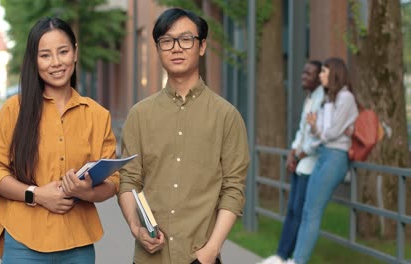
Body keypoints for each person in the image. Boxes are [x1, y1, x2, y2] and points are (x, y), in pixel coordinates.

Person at [0, 17, 119, 263]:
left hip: (78, 244)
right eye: (45, 55)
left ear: (75, 53)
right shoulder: (14, 110)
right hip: (23, 242)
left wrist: (87, 193)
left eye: (63, 52)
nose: (56, 63)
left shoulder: (97, 115)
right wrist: (36, 194)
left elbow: (113, 181)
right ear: (34, 60)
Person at [117, 8, 250, 264]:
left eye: (186, 39)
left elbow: (233, 189)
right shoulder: (139, 115)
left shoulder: (226, 116)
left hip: (200, 257)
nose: (176, 48)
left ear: (201, 47)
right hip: (148, 258)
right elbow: (129, 181)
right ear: (158, 48)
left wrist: (210, 251)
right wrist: (136, 228)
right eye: (167, 41)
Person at [288, 57, 358, 264]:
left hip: (335, 157)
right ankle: (296, 259)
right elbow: (322, 134)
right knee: (308, 210)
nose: (320, 76)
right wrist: (319, 128)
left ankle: (299, 260)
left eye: (324, 72)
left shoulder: (346, 98)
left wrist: (320, 129)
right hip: (324, 153)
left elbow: (329, 133)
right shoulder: (329, 100)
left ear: (334, 74)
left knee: (312, 211)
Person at [260, 61, 324, 264]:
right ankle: (282, 255)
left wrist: (299, 154)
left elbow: (318, 138)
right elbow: (302, 130)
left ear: (318, 77)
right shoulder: (310, 98)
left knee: (301, 212)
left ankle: (291, 257)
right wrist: (292, 152)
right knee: (292, 210)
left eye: (309, 73)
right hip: (301, 163)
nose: (303, 76)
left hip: (311, 165)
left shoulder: (322, 99)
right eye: (304, 71)